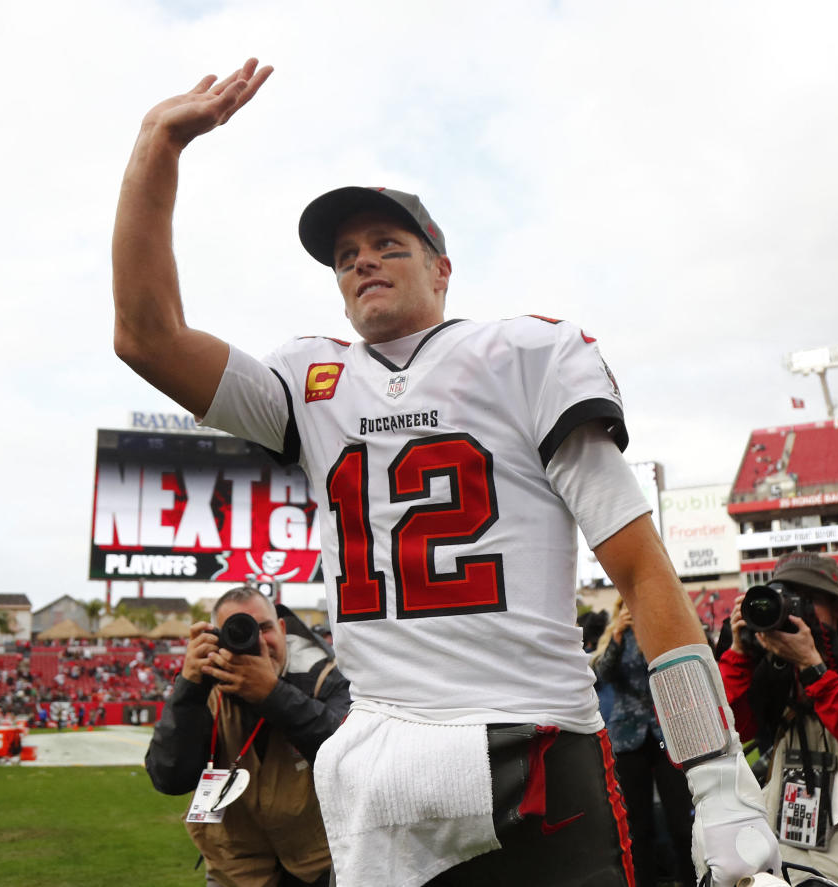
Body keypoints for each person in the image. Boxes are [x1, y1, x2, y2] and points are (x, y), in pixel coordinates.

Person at [113, 59, 780, 887]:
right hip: (382, 756)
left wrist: (718, 780)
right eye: (346, 254)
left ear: (442, 267)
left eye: (389, 244)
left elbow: (640, 568)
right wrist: (159, 145)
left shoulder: (525, 354)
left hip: (528, 741)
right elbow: (146, 335)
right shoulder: (307, 381)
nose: (363, 261)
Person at [720, 553, 838, 887]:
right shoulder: (773, 667)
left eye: (807, 600)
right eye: (784, 600)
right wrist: (739, 656)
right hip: (789, 856)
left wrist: (813, 666)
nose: (796, 612)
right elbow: (728, 733)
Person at [146, 586, 350, 887]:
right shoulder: (206, 683)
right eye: (239, 630)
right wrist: (188, 690)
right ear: (217, 637)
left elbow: (348, 759)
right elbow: (169, 777)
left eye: (264, 628)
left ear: (282, 629)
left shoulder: (325, 674)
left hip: (318, 864)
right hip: (235, 868)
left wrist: (273, 694)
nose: (256, 640)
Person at [592, 599, 695, 887]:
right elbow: (605, 675)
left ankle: (689, 879)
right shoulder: (616, 637)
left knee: (681, 820)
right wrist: (617, 637)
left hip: (665, 735)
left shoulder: (660, 629)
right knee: (637, 824)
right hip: (628, 738)